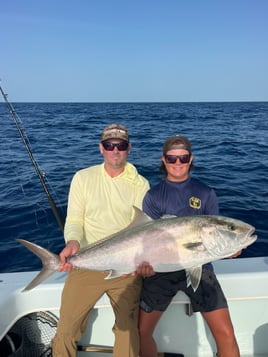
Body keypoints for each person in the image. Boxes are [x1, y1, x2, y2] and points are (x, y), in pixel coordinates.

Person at [137, 135, 241, 357]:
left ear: (191, 159)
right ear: (163, 160)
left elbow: (214, 236)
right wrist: (144, 265)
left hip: (201, 267)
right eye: (171, 158)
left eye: (182, 158)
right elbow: (147, 240)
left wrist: (229, 248)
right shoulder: (153, 196)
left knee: (227, 335)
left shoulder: (206, 193)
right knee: (140, 333)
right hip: (161, 270)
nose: (177, 163)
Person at [51, 124, 150, 357]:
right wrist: (73, 242)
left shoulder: (141, 184)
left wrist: (134, 261)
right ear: (101, 149)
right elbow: (74, 218)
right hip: (87, 263)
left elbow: (140, 231)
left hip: (126, 269)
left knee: (127, 330)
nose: (115, 150)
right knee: (66, 329)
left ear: (129, 149)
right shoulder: (83, 178)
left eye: (121, 145)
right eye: (109, 145)